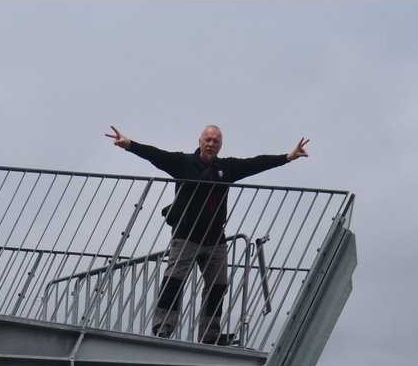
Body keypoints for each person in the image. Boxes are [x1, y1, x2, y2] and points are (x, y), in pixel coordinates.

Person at [106, 124, 310, 343]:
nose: (211, 144)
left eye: (216, 141)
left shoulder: (227, 168)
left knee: (218, 287)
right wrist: (129, 145)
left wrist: (287, 157)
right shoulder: (183, 163)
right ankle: (164, 326)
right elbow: (156, 155)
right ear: (200, 142)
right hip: (186, 236)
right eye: (208, 140)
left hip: (216, 240)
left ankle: (210, 335)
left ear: (220, 146)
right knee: (174, 281)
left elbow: (255, 163)